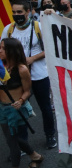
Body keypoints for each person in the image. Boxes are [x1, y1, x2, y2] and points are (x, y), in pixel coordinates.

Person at [1, 0, 57, 149]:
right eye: (14, 12)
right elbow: (3, 51)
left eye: (20, 12)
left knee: (45, 106)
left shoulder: (38, 27)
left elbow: (51, 49)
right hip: (17, 76)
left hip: (39, 74)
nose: (16, 15)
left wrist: (33, 58)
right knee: (17, 107)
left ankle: (50, 135)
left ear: (28, 12)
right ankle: (23, 144)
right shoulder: (9, 29)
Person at [0, 38, 45, 168]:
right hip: (2, 109)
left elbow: (27, 91)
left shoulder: (22, 69)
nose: (0, 50)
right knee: (12, 139)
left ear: (12, 51)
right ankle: (35, 156)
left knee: (12, 143)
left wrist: (20, 101)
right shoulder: (1, 67)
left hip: (15, 110)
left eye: (3, 48)